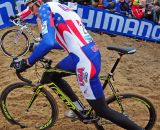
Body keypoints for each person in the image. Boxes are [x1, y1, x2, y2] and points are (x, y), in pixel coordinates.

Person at [12, 0, 143, 129]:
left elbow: (48, 43)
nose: (33, 13)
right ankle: (78, 109)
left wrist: (27, 63)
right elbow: (66, 41)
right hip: (86, 54)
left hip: (84, 60)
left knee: (103, 111)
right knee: (52, 75)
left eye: (31, 8)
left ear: (38, 2)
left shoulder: (45, 8)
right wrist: (38, 47)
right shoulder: (60, 8)